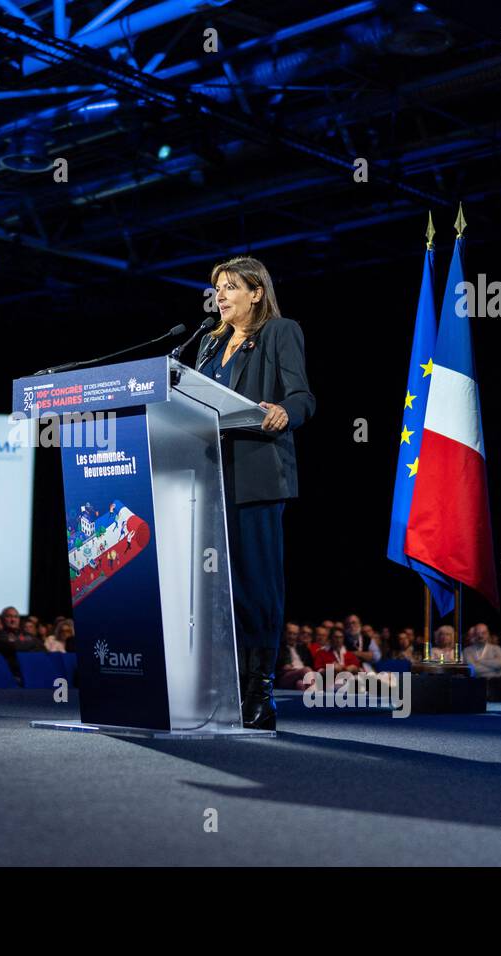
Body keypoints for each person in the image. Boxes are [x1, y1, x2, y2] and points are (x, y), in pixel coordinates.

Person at [195, 256, 314, 730]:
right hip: (207, 478)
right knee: (213, 588)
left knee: (255, 587)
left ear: (257, 292)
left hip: (257, 477)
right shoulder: (207, 343)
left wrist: (286, 410)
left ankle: (257, 694)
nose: (220, 296)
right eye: (217, 288)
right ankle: (216, 686)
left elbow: (304, 395)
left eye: (230, 287)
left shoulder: (280, 332)